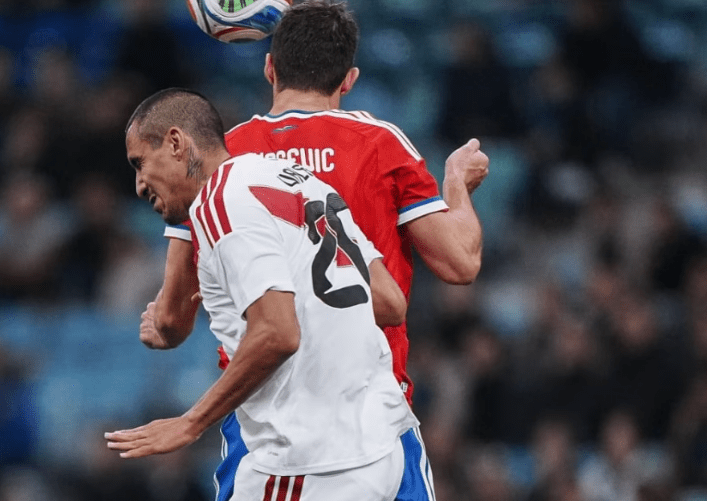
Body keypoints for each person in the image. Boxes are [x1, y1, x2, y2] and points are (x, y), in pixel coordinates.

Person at [142, 0, 488, 404]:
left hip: (263, 409)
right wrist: (457, 184)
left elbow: (172, 319)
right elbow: (459, 264)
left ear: (269, 68)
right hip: (365, 404)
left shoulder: (219, 158)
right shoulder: (381, 145)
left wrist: (160, 327)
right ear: (349, 80)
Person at [106, 88, 434, 500]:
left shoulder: (217, 203)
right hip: (382, 446)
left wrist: (191, 422)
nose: (138, 185)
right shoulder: (299, 181)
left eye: (139, 163)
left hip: (312, 461)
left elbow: (278, 333)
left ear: (175, 143)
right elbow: (389, 301)